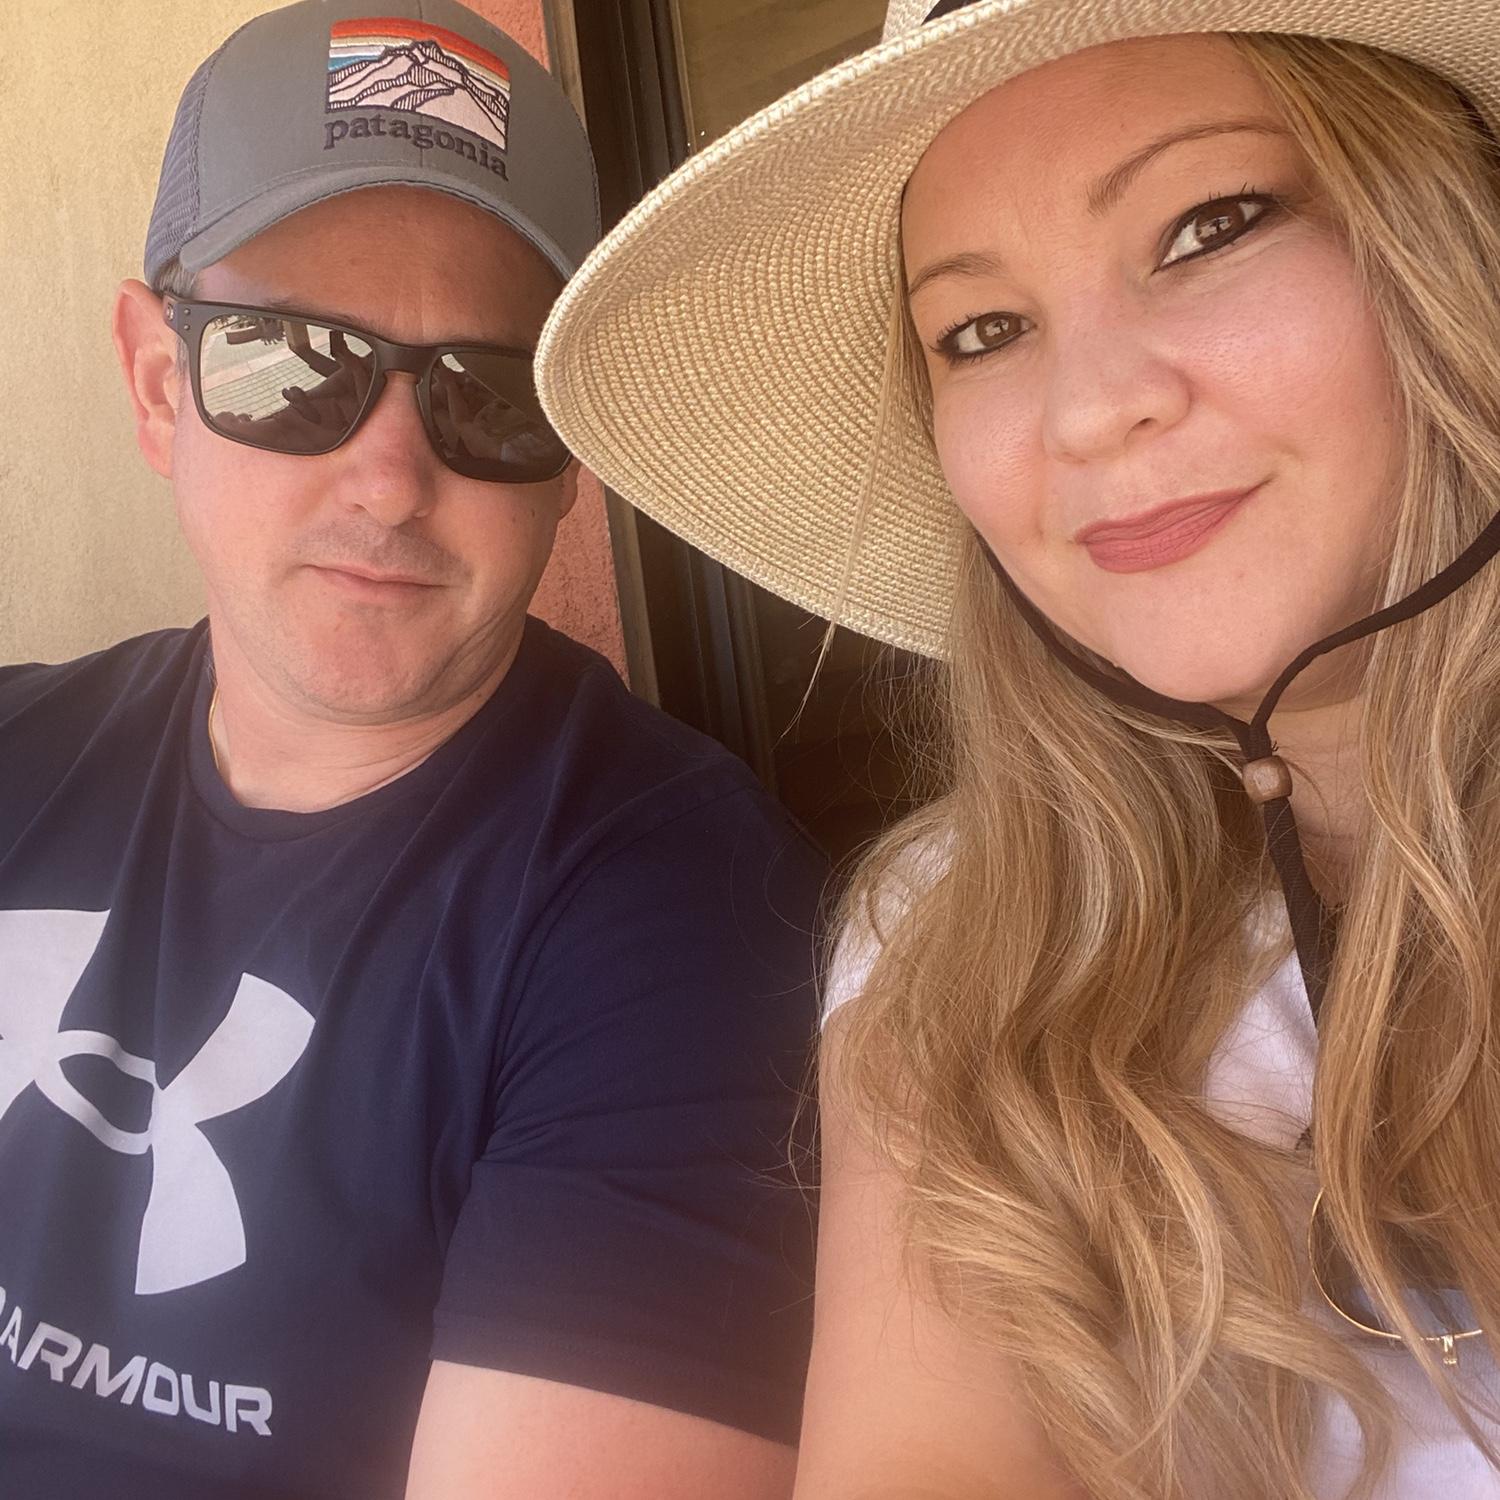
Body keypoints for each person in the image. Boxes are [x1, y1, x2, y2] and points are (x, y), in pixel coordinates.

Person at [535, 0, 1500, 1494]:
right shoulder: (959, 943)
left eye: (1210, 227)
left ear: (1449, 245)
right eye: (982, 332)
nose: (1091, 412)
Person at [0, 3, 826, 1497]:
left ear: (572, 457)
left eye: (487, 394)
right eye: (289, 361)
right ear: (158, 382)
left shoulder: (682, 920)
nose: (388, 481)